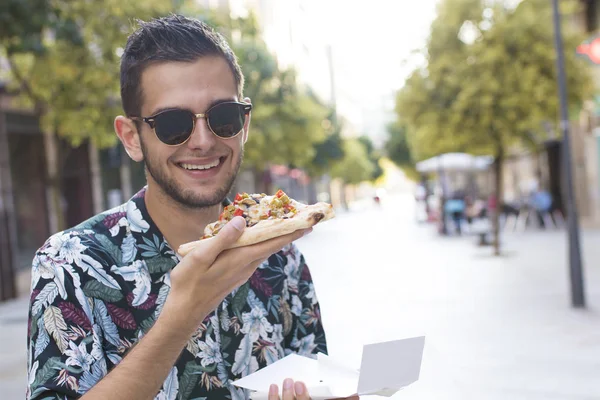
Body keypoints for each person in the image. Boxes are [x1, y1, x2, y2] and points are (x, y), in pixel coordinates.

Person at [26, 15, 351, 400]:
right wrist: (183, 315)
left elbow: (319, 380)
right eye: (172, 123)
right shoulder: (70, 264)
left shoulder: (283, 259)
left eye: (223, 117)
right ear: (131, 138)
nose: (202, 140)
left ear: (244, 124)